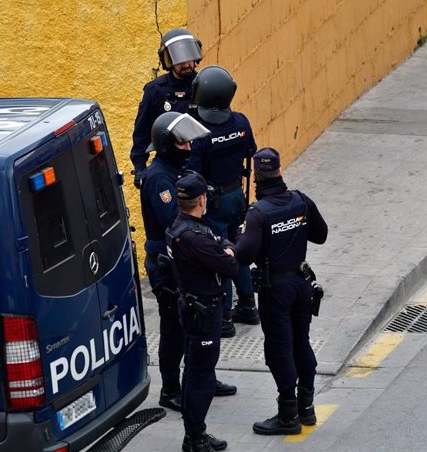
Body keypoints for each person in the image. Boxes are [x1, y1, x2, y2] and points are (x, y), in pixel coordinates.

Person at [140, 111, 236, 413]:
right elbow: (177, 222)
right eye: (182, 144)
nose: (189, 148)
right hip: (167, 264)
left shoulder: (177, 172)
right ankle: (170, 389)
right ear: (168, 145)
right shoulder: (159, 178)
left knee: (197, 328)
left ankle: (202, 377)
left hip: (185, 260)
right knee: (175, 328)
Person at [234, 147, 328, 435]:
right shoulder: (301, 201)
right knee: (302, 341)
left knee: (279, 349)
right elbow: (321, 235)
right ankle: (307, 407)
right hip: (301, 284)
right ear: (279, 171)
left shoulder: (259, 213)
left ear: (257, 177)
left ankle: (288, 415)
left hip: (275, 289)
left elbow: (244, 255)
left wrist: (240, 235)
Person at [166, 172, 239, 452]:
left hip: (194, 306)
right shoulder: (196, 237)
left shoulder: (181, 227)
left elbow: (217, 241)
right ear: (201, 199)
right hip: (204, 311)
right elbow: (230, 266)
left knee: (193, 371)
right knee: (201, 376)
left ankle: (194, 432)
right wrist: (229, 249)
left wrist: (223, 247)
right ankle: (195, 437)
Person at [187, 65, 259, 338]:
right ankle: (248, 305)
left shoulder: (199, 132)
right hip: (236, 197)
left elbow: (193, 172)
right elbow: (250, 151)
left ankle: (225, 317)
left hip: (213, 202)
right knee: (237, 249)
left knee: (220, 256)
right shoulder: (241, 122)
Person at [131, 28, 203, 189]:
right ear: (168, 61)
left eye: (189, 58)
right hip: (169, 164)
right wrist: (140, 167)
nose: (186, 64)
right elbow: (142, 132)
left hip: (201, 162)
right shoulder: (155, 91)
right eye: (179, 60)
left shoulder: (205, 84)